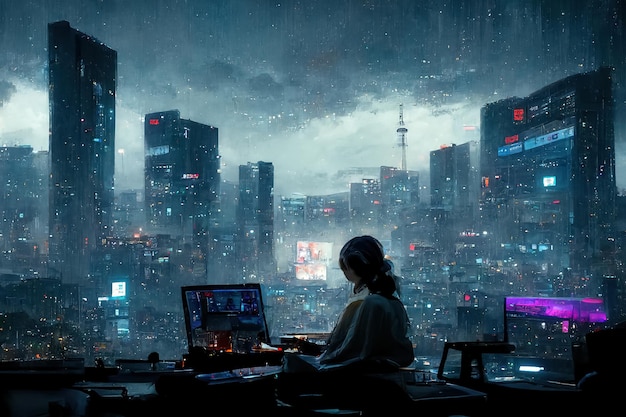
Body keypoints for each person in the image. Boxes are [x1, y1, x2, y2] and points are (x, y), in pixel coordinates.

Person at [279, 235, 415, 411]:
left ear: (353, 268)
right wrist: (320, 351)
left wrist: (324, 357)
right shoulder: (389, 301)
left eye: (345, 267)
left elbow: (358, 354)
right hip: (381, 384)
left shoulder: (371, 303)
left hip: (364, 384)